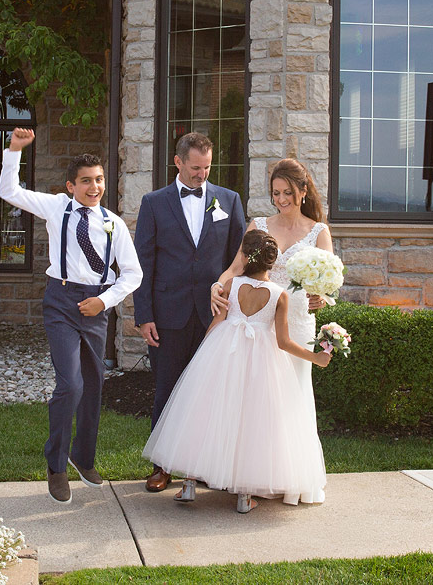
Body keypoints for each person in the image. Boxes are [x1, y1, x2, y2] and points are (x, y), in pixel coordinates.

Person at [0, 127, 142, 505]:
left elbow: (133, 273)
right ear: (70, 186)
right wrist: (15, 150)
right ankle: (57, 464)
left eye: (98, 180)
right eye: (85, 181)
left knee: (94, 385)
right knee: (71, 384)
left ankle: (84, 457)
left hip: (95, 307)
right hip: (61, 301)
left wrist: (105, 301)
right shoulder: (55, 207)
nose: (93, 187)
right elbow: (9, 193)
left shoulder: (114, 223)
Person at [143, 229, 330, 513]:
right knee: (251, 422)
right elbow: (284, 342)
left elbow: (217, 322)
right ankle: (244, 495)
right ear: (273, 262)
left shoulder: (231, 284)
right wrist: (315, 357)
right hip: (261, 361)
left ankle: (190, 484)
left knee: (207, 414)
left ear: (243, 257)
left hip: (224, 352)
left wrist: (203, 354)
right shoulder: (279, 295)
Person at [211, 157, 333, 505]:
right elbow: (236, 267)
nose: (281, 199)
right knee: (256, 399)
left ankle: (290, 476)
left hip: (296, 321)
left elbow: (329, 280)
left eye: (287, 193)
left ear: (303, 191)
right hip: (259, 322)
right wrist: (216, 287)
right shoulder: (259, 225)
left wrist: (321, 297)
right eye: (276, 193)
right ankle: (253, 474)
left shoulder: (318, 231)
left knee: (291, 399)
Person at [133, 132, 246, 493]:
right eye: (196, 168)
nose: (202, 175)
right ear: (178, 162)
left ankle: (204, 468)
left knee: (212, 392)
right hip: (167, 314)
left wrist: (237, 309)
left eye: (207, 168)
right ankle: (162, 466)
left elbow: (239, 260)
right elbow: (142, 264)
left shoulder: (228, 200)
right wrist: (144, 315)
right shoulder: (153, 203)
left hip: (215, 315)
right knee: (167, 389)